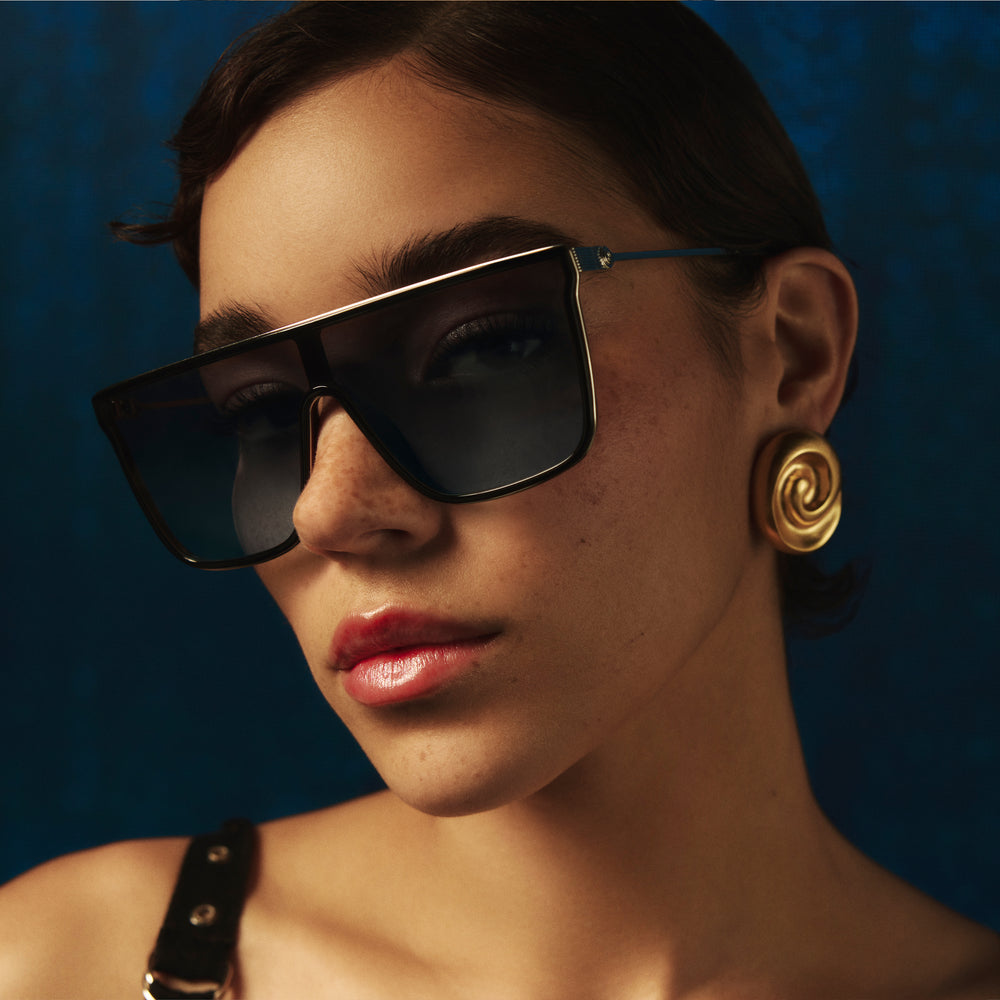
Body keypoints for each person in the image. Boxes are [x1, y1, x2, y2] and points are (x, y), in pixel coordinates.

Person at [1, 3, 998, 997]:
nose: (328, 511)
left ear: (791, 352)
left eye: (484, 349)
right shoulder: (60, 967)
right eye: (258, 412)